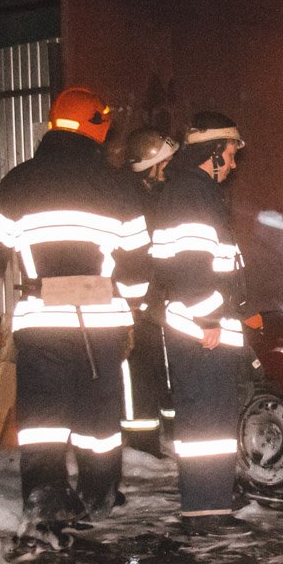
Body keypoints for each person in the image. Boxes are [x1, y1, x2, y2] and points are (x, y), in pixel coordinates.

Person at [0, 86, 151, 544]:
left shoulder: (19, 182)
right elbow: (138, 267)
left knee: (43, 418)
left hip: (42, 321)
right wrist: (131, 316)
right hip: (103, 321)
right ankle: (99, 495)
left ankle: (45, 502)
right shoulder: (120, 188)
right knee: (100, 420)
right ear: (98, 129)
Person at [150, 112, 248, 533]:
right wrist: (210, 317)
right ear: (213, 153)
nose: (234, 163)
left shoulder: (192, 192)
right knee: (207, 422)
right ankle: (206, 513)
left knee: (208, 421)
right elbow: (192, 269)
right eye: (230, 153)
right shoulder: (194, 196)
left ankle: (208, 505)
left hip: (200, 323)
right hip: (200, 326)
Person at [118, 128, 179, 454]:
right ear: (149, 164)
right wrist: (135, 303)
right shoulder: (130, 197)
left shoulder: (153, 194)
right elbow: (132, 259)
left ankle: (166, 433)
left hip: (153, 299)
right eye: (164, 164)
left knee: (159, 368)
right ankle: (141, 445)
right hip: (134, 303)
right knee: (138, 374)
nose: (168, 170)